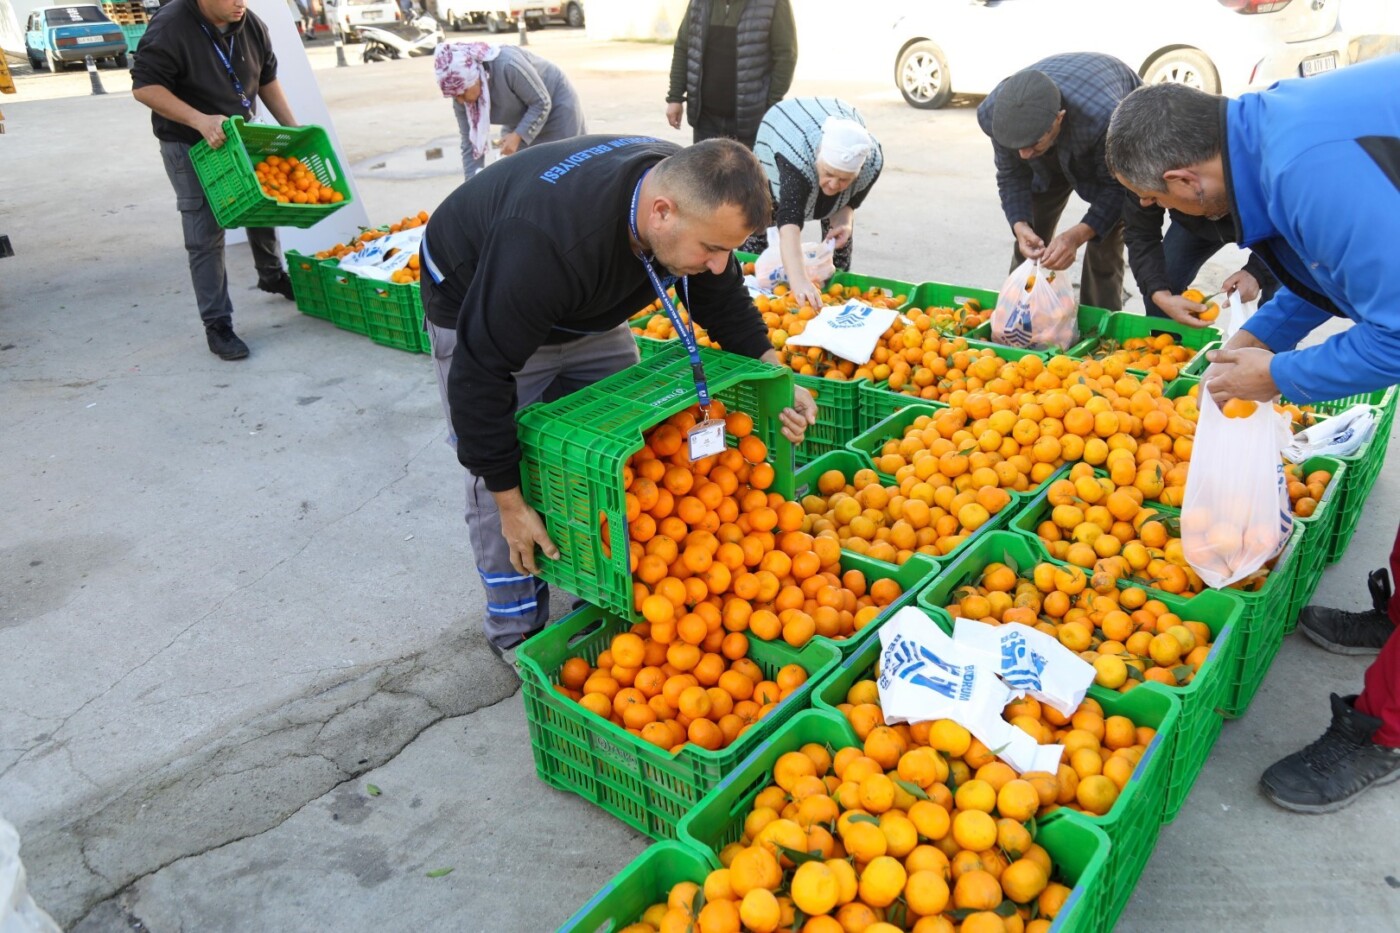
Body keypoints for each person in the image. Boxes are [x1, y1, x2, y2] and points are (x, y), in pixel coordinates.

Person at [1105, 60, 1400, 813]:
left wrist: (1277, 378)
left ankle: (1386, 730)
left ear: (1186, 180)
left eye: (1155, 201)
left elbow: (1397, 335)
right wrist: (1256, 344)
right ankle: (1395, 617)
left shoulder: (1308, 168)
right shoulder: (1264, 134)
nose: (1161, 214)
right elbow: (1316, 274)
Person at [419, 136, 818, 658]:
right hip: (479, 298)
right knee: (497, 475)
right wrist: (509, 500)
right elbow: (480, 372)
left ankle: (604, 580)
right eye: (713, 250)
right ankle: (516, 628)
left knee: (627, 453)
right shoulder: (545, 242)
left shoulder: (689, 193)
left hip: (582, 304)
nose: (721, 264)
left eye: (728, 249)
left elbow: (721, 296)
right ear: (661, 214)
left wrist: (776, 375)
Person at [131, 0, 297, 362]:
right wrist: (199, 120)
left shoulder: (249, 23)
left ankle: (271, 274)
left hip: (238, 135)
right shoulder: (171, 26)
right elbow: (145, 87)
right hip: (190, 142)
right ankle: (217, 323)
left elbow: (266, 78)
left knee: (261, 204)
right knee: (205, 231)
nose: (241, 2)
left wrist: (294, 131)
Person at [977, 53, 1139, 312]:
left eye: (1032, 144)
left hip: (1105, 143)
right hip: (1061, 137)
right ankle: (1018, 316)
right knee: (1030, 236)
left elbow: (1118, 190)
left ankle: (1100, 327)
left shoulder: (1105, 121)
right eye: (1016, 145)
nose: (1023, 155)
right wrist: (1019, 224)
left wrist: (1078, 235)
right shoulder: (997, 114)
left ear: (1059, 118)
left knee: (1104, 243)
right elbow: (1012, 174)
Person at [748, 97, 883, 309]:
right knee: (761, 220)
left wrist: (844, 221)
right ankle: (754, 289)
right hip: (782, 130)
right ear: (818, 157)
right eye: (829, 174)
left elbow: (849, 203)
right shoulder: (796, 164)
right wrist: (800, 281)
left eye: (844, 179)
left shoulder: (871, 164)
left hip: (835, 115)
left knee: (838, 238)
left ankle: (832, 298)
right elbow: (789, 227)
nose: (834, 185)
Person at [434, 41, 588, 180]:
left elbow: (541, 103)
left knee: (565, 167)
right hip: (519, 117)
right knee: (523, 174)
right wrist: (470, 186)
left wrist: (518, 134)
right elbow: (470, 142)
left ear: (474, 78)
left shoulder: (508, 65)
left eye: (462, 92)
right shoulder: (461, 96)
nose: (460, 100)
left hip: (555, 107)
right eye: (454, 96)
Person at [1123, 194, 1277, 326]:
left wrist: (1257, 272)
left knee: (1282, 291)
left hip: (1266, 222)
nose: (1144, 202)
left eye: (1152, 196)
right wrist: (1159, 295)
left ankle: (1273, 356)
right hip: (1193, 219)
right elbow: (1140, 233)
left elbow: (1290, 228)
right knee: (1163, 278)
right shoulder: (1137, 170)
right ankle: (1168, 350)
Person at [664, 0, 797, 150]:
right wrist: (675, 97)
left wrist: (771, 103)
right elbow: (683, 47)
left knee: (747, 172)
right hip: (705, 118)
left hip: (751, 119)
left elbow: (785, 55)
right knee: (706, 172)